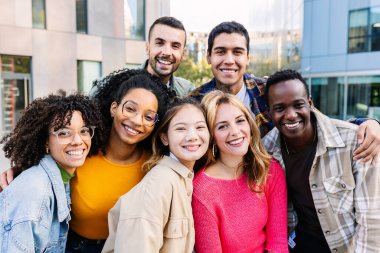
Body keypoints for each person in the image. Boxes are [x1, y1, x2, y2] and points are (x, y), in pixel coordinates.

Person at [188, 21, 380, 164]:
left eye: (237, 52)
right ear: (209, 57)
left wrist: (367, 123)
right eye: (221, 52)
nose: (229, 60)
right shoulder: (196, 103)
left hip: (271, 180)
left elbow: (317, 122)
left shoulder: (267, 90)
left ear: (247, 58)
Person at [262, 69, 380, 252]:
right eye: (280, 108)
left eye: (298, 105)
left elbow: (372, 221)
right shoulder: (265, 152)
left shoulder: (354, 142)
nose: (291, 115)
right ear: (269, 114)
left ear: (310, 103)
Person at [64, 69, 169, 253]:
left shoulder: (154, 167)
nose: (137, 121)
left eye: (148, 116)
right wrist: (18, 171)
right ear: (114, 108)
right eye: (130, 109)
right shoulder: (81, 152)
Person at [102, 97, 209, 253]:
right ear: (164, 137)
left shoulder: (185, 178)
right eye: (181, 129)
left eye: (200, 127)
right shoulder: (159, 183)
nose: (192, 136)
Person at [0, 91, 104, 252]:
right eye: (64, 133)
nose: (78, 141)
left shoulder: (63, 175)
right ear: (45, 142)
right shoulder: (35, 193)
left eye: (84, 131)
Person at [192, 90, 288, 253]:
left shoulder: (269, 170)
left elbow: (277, 243)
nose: (235, 132)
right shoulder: (202, 190)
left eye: (239, 121)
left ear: (249, 124)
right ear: (211, 136)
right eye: (222, 126)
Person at [142, 16, 194, 97]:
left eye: (175, 46)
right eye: (159, 43)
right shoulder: (121, 84)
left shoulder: (187, 92)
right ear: (147, 48)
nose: (167, 52)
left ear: (183, 54)